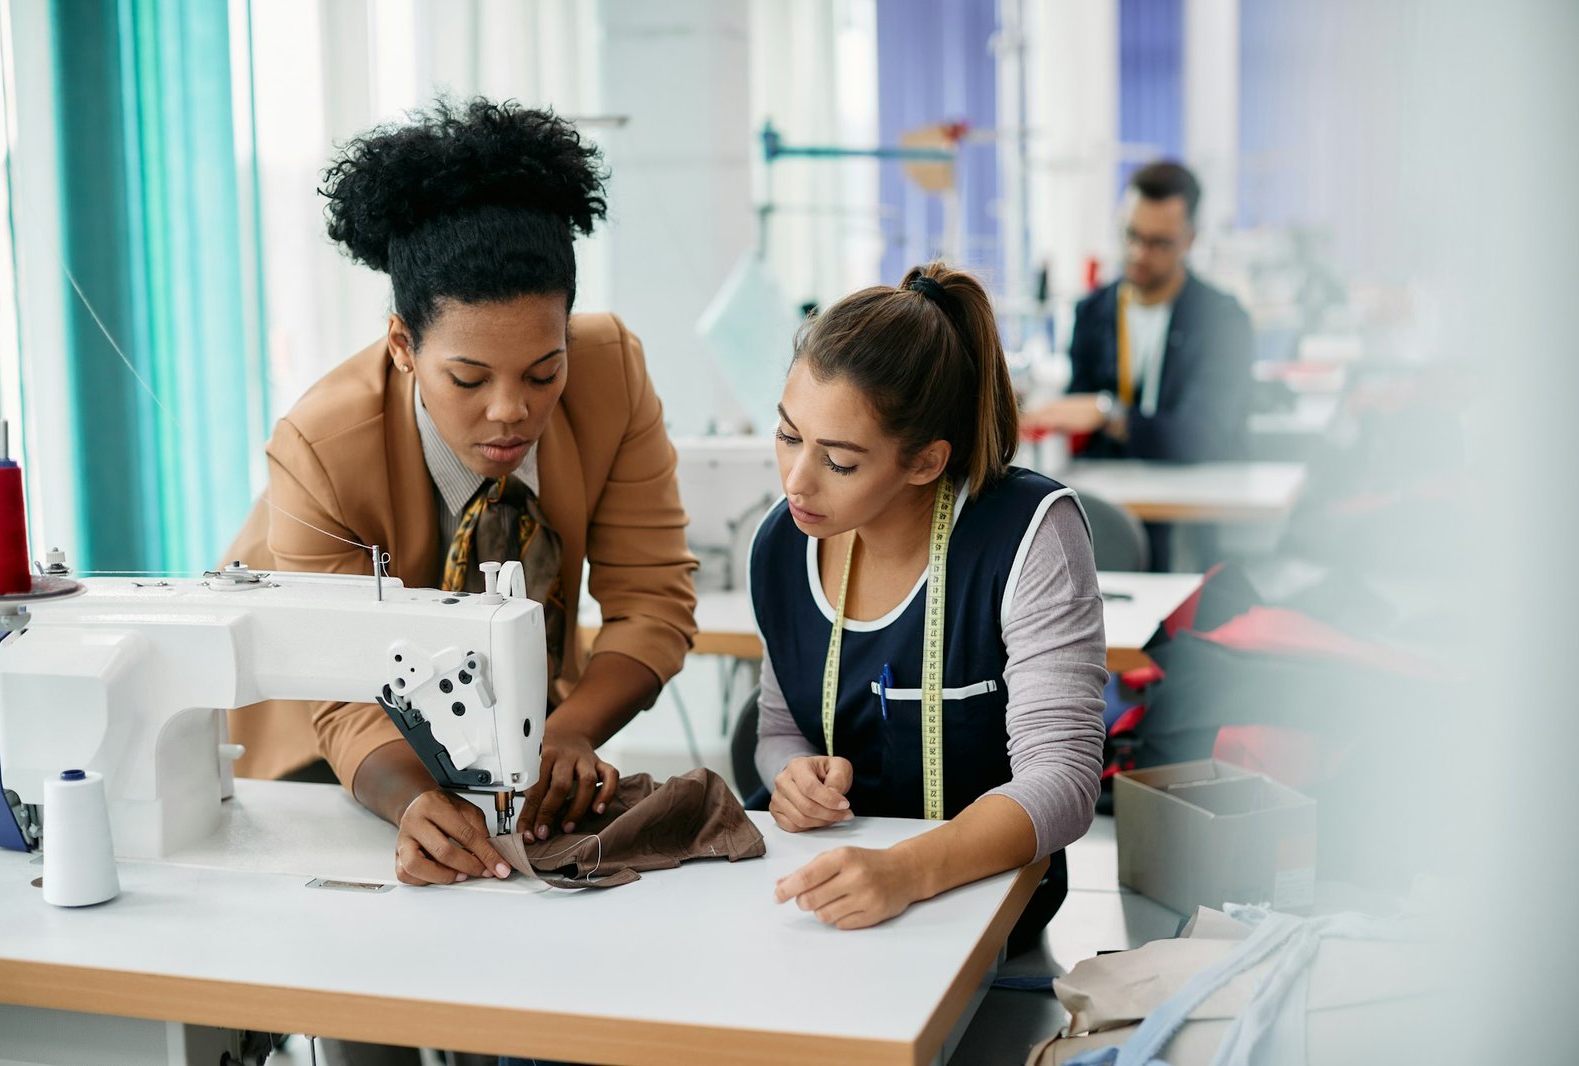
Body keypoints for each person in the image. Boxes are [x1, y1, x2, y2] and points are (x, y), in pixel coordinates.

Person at [225, 99, 697, 890]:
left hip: (506, 729)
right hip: (325, 754)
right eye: (469, 379)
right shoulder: (320, 446)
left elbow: (652, 600)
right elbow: (340, 696)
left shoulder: (612, 373)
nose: (511, 409)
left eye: (544, 372)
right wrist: (411, 801)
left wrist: (570, 730)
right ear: (403, 345)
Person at [751, 262, 1107, 938]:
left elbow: (1063, 780)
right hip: (827, 898)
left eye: (840, 462)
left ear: (924, 462)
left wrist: (906, 872)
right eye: (789, 435)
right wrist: (790, 775)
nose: (796, 481)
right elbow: (777, 728)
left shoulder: (1029, 535)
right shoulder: (779, 545)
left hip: (986, 907)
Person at [1022, 161, 1254, 463]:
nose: (1138, 253)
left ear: (1189, 239)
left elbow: (1202, 436)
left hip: (1199, 496)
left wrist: (1109, 415)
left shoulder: (1222, 321)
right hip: (1112, 495)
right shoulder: (1092, 312)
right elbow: (1078, 420)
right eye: (1131, 235)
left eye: (1158, 243)